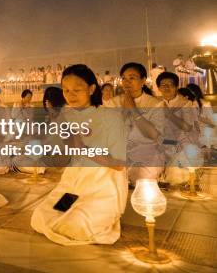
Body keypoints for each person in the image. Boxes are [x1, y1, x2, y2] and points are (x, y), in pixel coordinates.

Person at [31, 64, 127, 246]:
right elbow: (63, 157)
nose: (70, 95)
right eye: (66, 90)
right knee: (41, 217)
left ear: (91, 89)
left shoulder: (111, 118)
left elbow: (119, 164)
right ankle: (71, 209)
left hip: (102, 188)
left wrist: (83, 149)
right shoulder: (66, 115)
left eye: (77, 89)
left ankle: (96, 213)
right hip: (73, 187)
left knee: (75, 226)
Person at [103, 62, 164, 183]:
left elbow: (154, 135)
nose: (127, 82)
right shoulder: (112, 103)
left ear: (143, 81)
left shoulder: (155, 104)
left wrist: (133, 110)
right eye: (124, 78)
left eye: (132, 78)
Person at [186, 83, 215, 148]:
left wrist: (198, 117)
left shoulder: (205, 104)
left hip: (204, 136)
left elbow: (212, 123)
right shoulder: (186, 104)